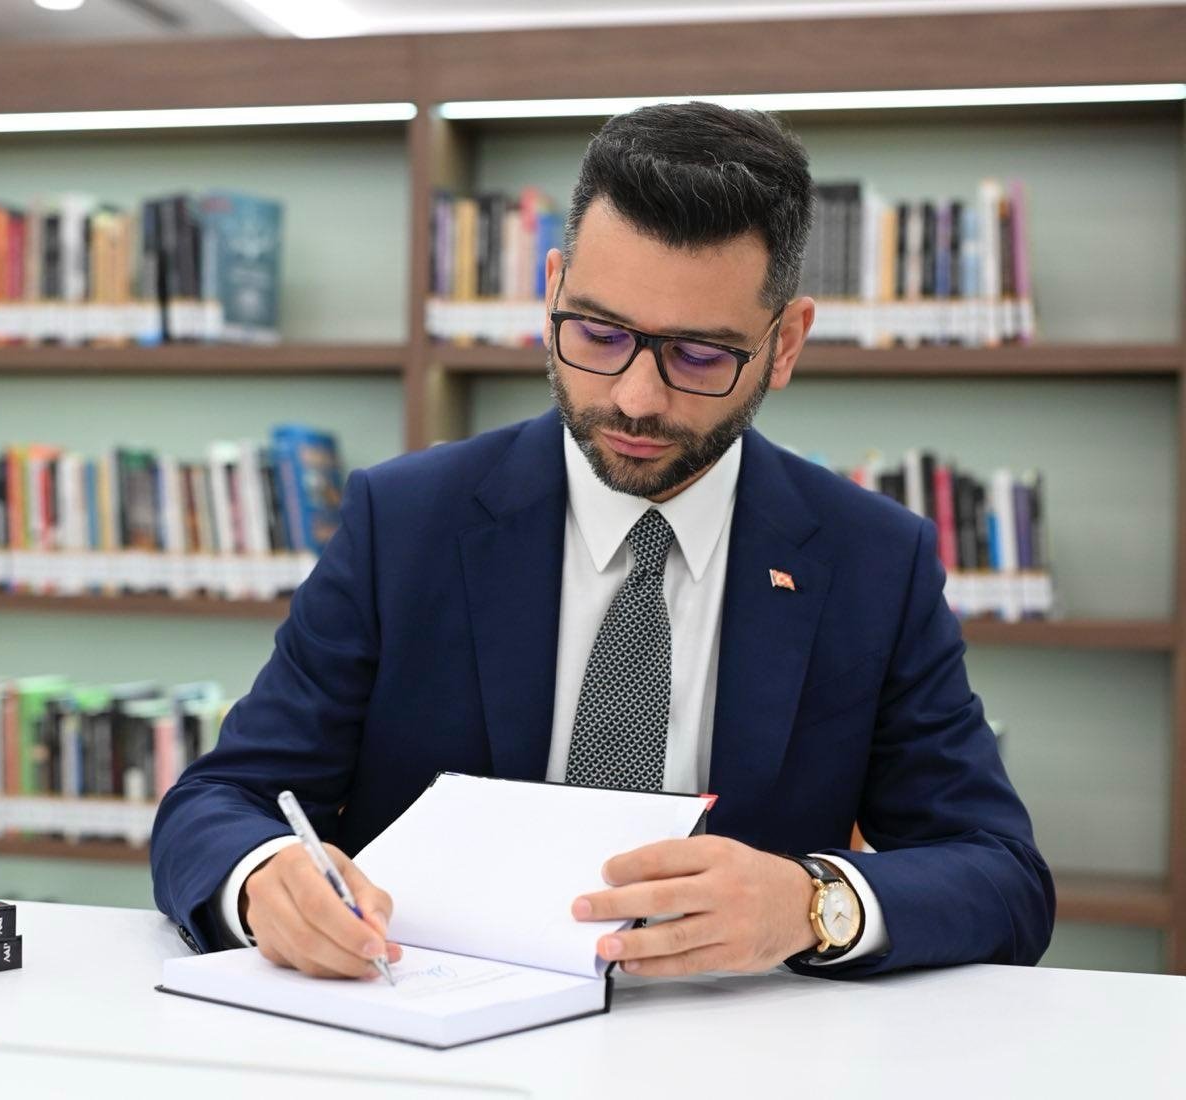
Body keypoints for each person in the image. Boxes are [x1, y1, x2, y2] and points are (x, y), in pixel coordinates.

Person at [151, 102, 1055, 982]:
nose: (634, 398)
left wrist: (812, 903)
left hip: (737, 1050)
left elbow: (1001, 875)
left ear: (784, 344)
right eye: (597, 332)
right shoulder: (406, 521)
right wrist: (264, 879)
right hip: (426, 1030)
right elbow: (218, 802)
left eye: (699, 355)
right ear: (550, 292)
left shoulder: (872, 561)